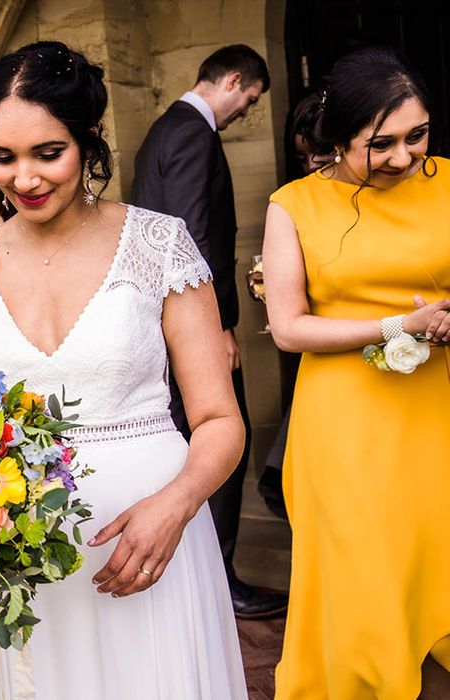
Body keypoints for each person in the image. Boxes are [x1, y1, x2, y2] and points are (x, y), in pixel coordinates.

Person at [0, 41, 248, 699]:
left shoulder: (160, 245)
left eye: (48, 153)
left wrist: (178, 504)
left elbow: (220, 419)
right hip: (27, 563)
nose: (24, 178)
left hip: (153, 544)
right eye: (3, 157)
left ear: (90, 139)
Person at [263, 46, 450, 698]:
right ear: (338, 139)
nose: (404, 157)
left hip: (438, 414)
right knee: (367, 575)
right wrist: (397, 326)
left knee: (437, 562)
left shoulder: (449, 182)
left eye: (418, 135)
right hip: (345, 425)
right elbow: (288, 328)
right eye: (381, 143)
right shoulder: (294, 206)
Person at [131, 44, 287, 619]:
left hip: (165, 320)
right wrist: (217, 324)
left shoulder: (160, 130)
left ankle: (206, 575)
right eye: (250, 97)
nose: (247, 108)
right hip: (193, 322)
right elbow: (192, 232)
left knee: (194, 443)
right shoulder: (194, 133)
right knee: (223, 443)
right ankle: (222, 582)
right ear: (234, 79)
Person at [258, 92, 333, 518]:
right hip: (323, 356)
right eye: (307, 158)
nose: (316, 167)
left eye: (324, 155)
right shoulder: (291, 205)